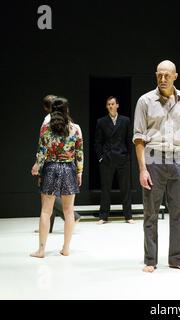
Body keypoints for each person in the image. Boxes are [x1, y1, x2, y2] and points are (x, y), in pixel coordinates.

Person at [133, 60, 180, 272]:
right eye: (159, 75)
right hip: (153, 161)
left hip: (179, 161)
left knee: (179, 212)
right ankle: (150, 260)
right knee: (150, 213)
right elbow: (139, 138)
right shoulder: (145, 101)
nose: (163, 79)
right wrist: (143, 169)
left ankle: (178, 259)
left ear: (175, 76)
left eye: (167, 75)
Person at [31, 97, 83, 258]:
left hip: (51, 168)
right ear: (67, 110)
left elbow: (41, 152)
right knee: (69, 212)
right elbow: (79, 153)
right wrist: (80, 172)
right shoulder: (75, 128)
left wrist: (37, 167)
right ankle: (66, 248)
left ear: (52, 110)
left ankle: (41, 250)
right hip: (69, 169)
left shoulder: (46, 128)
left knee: (46, 211)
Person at [95, 96, 134, 224]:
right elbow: (98, 142)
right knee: (105, 188)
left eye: (113, 104)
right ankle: (103, 216)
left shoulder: (125, 120)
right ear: (107, 107)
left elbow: (129, 140)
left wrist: (128, 156)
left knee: (125, 188)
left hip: (123, 158)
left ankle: (128, 216)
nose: (111, 106)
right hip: (108, 158)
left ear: (117, 105)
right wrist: (101, 157)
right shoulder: (101, 121)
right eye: (108, 104)